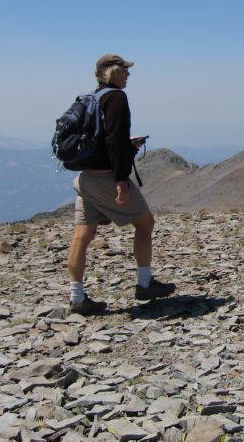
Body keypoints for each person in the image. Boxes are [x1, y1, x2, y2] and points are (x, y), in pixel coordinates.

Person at [67, 53, 175, 315]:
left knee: (83, 234)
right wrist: (120, 181)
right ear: (110, 71)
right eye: (124, 70)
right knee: (145, 222)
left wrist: (126, 145)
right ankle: (144, 283)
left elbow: (105, 139)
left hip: (86, 178)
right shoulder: (116, 98)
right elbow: (114, 141)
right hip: (106, 177)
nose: (128, 74)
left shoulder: (93, 97)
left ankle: (77, 298)